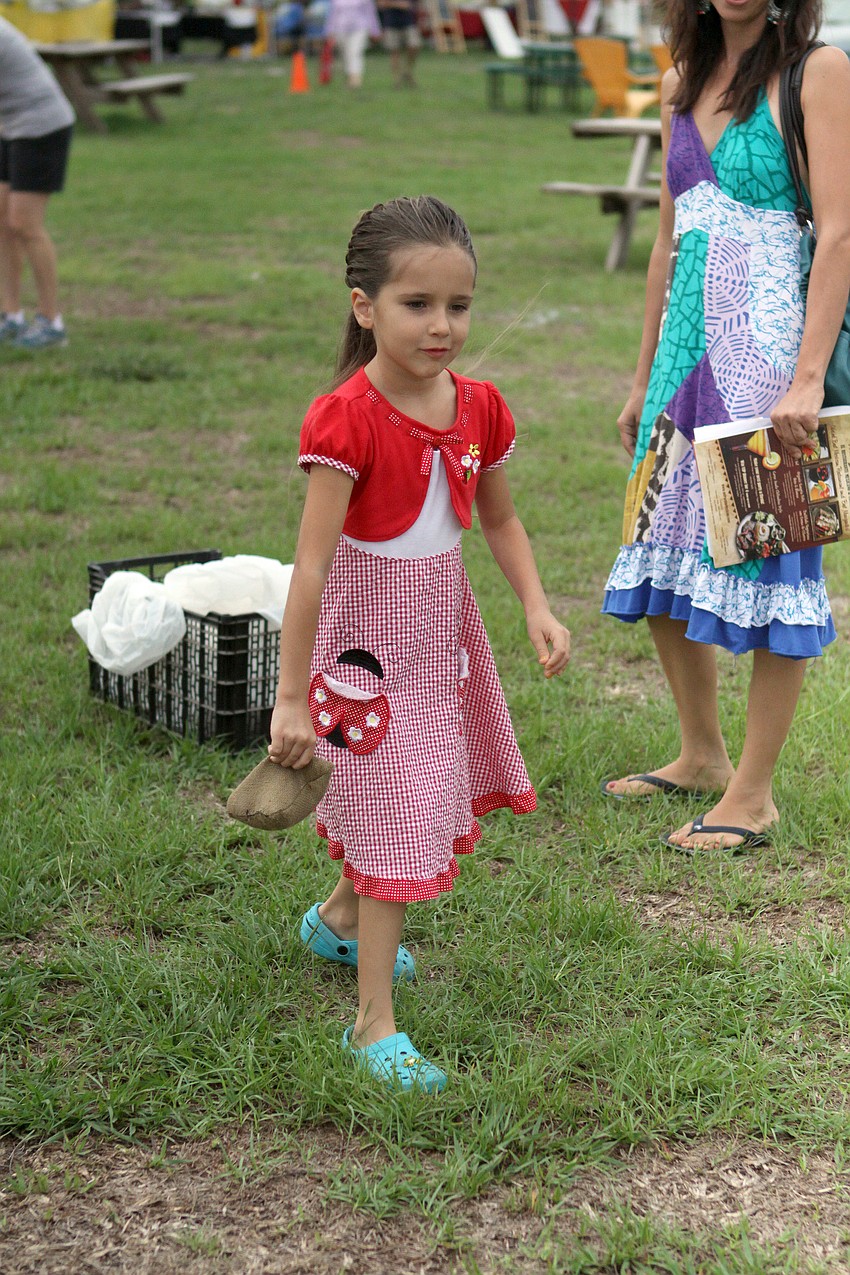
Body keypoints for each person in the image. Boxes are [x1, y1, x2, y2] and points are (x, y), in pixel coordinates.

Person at [268, 196, 570, 1092]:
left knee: (421, 793)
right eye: (417, 305)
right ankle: (372, 1025)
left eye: (459, 307)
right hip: (367, 649)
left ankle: (334, 921)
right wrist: (291, 697)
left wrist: (536, 606)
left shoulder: (479, 408)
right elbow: (312, 571)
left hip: (441, 634)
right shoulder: (345, 419)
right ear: (364, 306)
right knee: (399, 819)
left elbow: (501, 520)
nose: (442, 327)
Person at [601, 0, 850, 852]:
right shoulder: (678, 77)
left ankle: (753, 793)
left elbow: (842, 232)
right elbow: (665, 249)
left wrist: (809, 375)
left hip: (770, 352)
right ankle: (701, 755)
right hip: (682, 355)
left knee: (778, 551)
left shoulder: (816, 72)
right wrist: (641, 379)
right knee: (660, 543)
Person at [0, 17, 75, 351]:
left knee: (24, 224)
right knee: (2, 221)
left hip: (41, 125)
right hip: (11, 124)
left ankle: (51, 321)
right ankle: (10, 314)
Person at [324, 0, 381, 87]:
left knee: (355, 52)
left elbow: (370, 13)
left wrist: (375, 30)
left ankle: (355, 79)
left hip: (360, 28)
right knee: (345, 54)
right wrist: (329, 31)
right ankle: (349, 76)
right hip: (340, 28)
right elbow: (332, 14)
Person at [376, 0, 420, 87]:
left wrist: (390, 4)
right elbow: (381, 4)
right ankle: (397, 80)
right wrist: (399, 4)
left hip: (408, 22)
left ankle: (407, 71)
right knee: (394, 52)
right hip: (391, 23)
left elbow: (410, 5)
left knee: (414, 46)